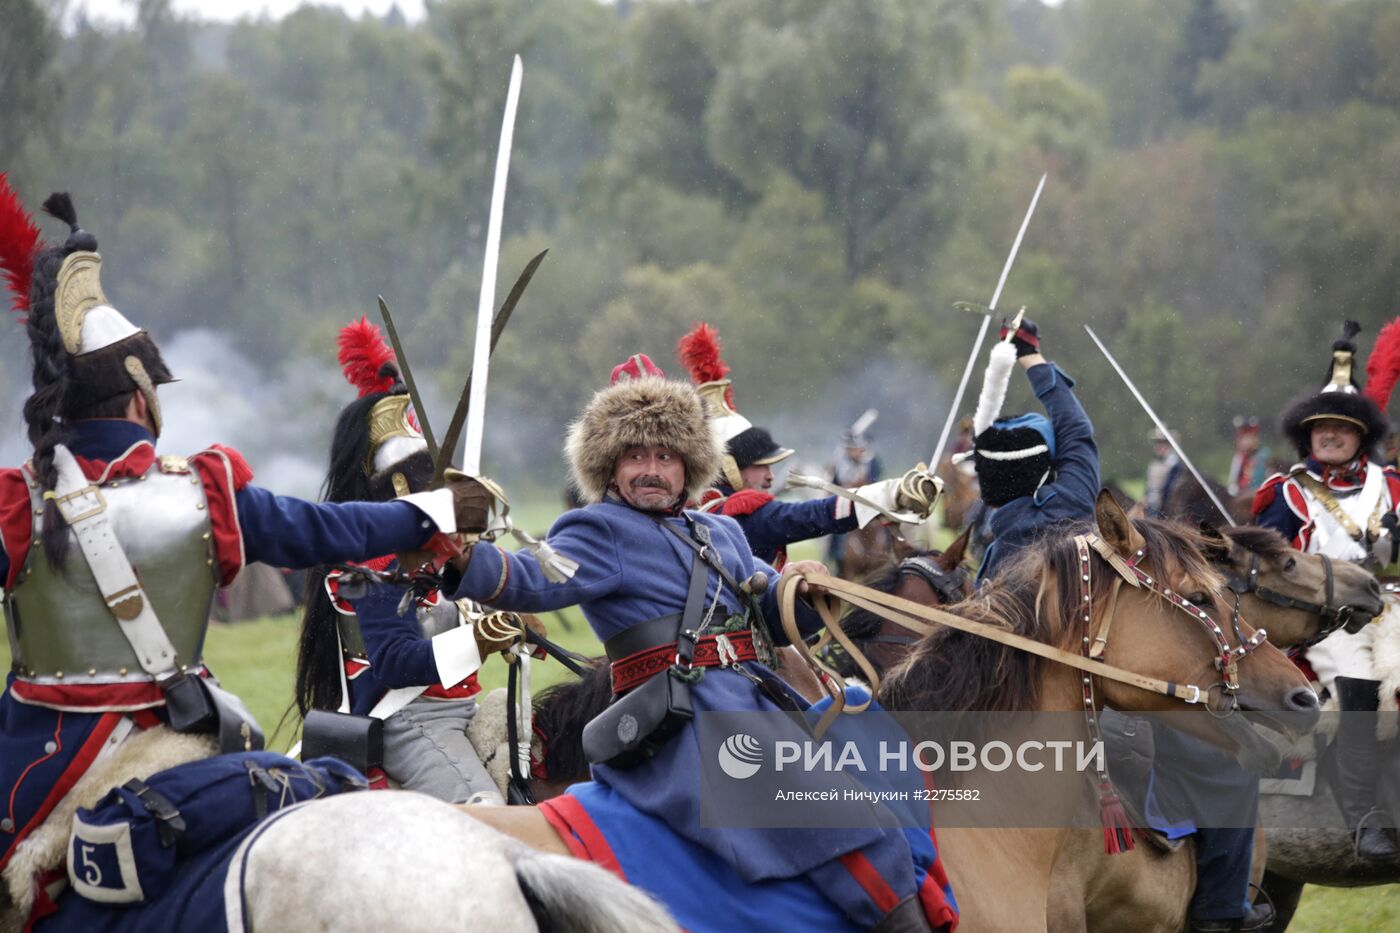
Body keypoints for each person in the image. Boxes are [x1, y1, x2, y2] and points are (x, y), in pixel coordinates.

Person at [0, 184, 475, 920]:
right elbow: (332, 529)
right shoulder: (203, 492)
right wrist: (432, 513)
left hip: (29, 769)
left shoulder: (17, 504)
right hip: (181, 747)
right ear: (140, 394)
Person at [352, 355, 957, 931]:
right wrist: (460, 553)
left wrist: (805, 593)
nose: (650, 468)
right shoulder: (596, 530)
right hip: (686, 728)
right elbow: (530, 580)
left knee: (879, 752)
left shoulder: (720, 531)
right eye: (634, 454)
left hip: (764, 702)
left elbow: (771, 617)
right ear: (609, 466)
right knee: (836, 814)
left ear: (688, 466)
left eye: (666, 456)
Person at [294, 318, 521, 804]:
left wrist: (510, 624)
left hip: (461, 705)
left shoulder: (436, 549)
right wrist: (477, 640)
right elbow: (396, 663)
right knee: (491, 816)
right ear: (400, 488)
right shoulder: (369, 561)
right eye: (428, 479)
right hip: (408, 719)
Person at [1253, 319, 1400, 860]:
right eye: (1320, 427)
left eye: (1341, 426)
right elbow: (1267, 568)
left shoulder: (1393, 485)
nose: (1330, 434)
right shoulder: (1288, 492)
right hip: (1328, 617)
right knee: (1361, 687)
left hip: (1394, 605)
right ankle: (1364, 820)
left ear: (1361, 434)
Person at [675, 323, 937, 569]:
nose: (770, 476)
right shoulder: (746, 514)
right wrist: (891, 494)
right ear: (729, 467)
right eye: (760, 467)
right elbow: (816, 514)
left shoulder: (688, 507)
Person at [960, 318, 1099, 582]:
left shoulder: (991, 573)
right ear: (1046, 468)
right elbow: (1076, 430)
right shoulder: (1072, 504)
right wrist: (1030, 355)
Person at [1226, 416, 1269, 498]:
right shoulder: (1239, 457)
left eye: (1248, 437)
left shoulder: (1263, 456)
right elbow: (1233, 481)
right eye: (1242, 438)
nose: (1243, 441)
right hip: (1242, 497)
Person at [1144, 427, 1180, 514]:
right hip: (1152, 505)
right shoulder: (1154, 465)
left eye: (1162, 443)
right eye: (1157, 443)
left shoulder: (1174, 465)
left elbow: (1168, 489)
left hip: (1165, 509)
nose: (1158, 446)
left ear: (1169, 445)